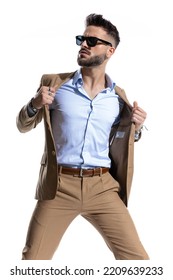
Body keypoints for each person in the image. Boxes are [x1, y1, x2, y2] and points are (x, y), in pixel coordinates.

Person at [16, 13, 149, 260]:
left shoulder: (118, 97)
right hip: (58, 187)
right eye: (82, 39)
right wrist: (34, 104)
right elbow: (22, 125)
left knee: (138, 261)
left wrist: (136, 128)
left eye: (92, 41)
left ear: (110, 51)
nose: (84, 45)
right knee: (33, 262)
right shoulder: (54, 84)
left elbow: (121, 139)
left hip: (102, 188)